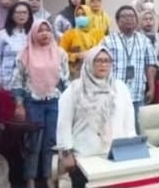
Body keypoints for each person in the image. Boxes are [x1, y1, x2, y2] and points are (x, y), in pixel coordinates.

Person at [56, 46, 136, 188]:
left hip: (115, 156)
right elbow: (64, 123)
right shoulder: (75, 89)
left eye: (107, 61)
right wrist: (66, 153)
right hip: (84, 158)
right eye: (98, 61)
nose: (103, 65)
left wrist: (131, 148)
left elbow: (128, 121)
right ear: (89, 63)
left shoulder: (120, 88)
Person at [12, 20, 68, 188]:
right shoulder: (25, 53)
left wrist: (68, 103)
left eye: (47, 30)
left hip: (54, 102)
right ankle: (30, 178)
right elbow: (17, 80)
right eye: (40, 30)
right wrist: (19, 104)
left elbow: (65, 79)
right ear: (34, 33)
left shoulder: (60, 53)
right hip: (33, 102)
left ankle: (48, 176)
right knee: (33, 142)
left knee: (50, 141)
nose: (45, 34)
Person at [101, 6, 159, 127]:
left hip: (137, 95)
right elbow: (101, 65)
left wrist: (152, 88)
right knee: (116, 129)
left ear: (136, 20)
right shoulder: (107, 41)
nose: (128, 19)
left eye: (131, 16)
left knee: (137, 129)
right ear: (117, 21)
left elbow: (151, 65)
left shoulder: (144, 40)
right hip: (114, 95)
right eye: (124, 16)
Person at [0, 0, 31, 92]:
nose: (21, 15)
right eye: (18, 13)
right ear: (12, 15)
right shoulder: (3, 34)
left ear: (29, 15)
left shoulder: (33, 33)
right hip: (7, 79)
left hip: (29, 80)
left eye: (24, 12)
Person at [59, 5, 100, 80]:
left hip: (94, 71)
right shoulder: (69, 34)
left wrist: (91, 53)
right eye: (78, 15)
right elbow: (60, 54)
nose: (80, 17)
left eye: (84, 14)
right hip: (75, 73)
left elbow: (104, 52)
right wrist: (76, 56)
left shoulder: (98, 33)